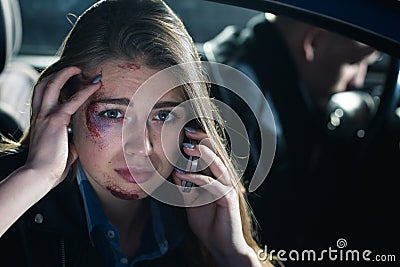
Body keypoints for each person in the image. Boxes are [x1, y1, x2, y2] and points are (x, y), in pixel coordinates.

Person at [0, 1, 282, 266]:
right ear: (66, 106)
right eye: (113, 114)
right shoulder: (13, 191)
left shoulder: (202, 212)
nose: (142, 148)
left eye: (163, 116)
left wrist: (234, 254)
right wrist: (36, 177)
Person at [199, 12, 397, 253]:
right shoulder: (238, 115)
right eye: (354, 63)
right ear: (313, 43)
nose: (358, 81)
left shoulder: (249, 75)